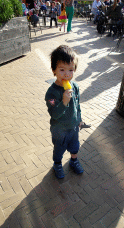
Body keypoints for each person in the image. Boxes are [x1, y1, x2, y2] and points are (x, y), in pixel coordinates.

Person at [45, 45, 84, 179]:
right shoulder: (51, 93)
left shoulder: (75, 86)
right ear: (54, 70)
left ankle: (74, 161)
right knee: (59, 149)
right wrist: (64, 102)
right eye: (62, 70)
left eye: (70, 70)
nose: (67, 74)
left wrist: (79, 120)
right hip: (59, 130)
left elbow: (77, 105)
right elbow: (54, 114)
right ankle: (57, 164)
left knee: (75, 147)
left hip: (73, 127)